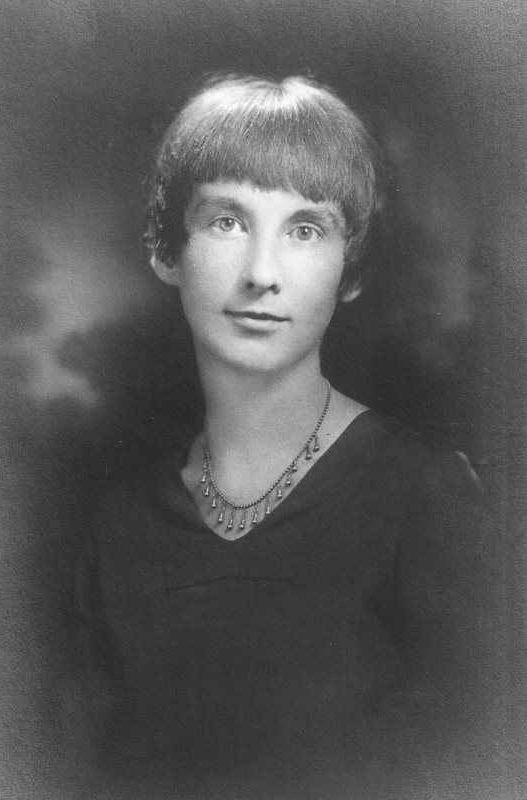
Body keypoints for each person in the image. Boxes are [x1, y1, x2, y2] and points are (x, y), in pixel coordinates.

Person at [71, 74, 502, 799]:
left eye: (305, 229)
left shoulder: (425, 496)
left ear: (350, 270)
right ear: (165, 251)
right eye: (226, 221)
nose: (261, 274)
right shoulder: (117, 524)